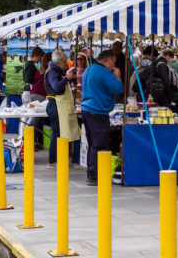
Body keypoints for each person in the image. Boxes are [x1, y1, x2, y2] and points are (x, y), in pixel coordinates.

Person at [81, 50, 125, 186]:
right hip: (97, 112)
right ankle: (94, 176)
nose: (114, 67)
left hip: (87, 110)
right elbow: (118, 89)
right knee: (99, 144)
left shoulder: (89, 69)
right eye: (114, 64)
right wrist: (118, 76)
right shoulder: (104, 72)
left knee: (93, 144)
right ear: (110, 61)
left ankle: (91, 173)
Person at [45, 50, 78, 169]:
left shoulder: (57, 71)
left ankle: (62, 159)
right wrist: (67, 78)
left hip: (59, 106)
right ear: (59, 62)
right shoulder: (52, 73)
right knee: (57, 133)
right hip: (55, 106)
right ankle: (52, 161)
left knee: (63, 132)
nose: (66, 64)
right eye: (65, 62)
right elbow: (57, 87)